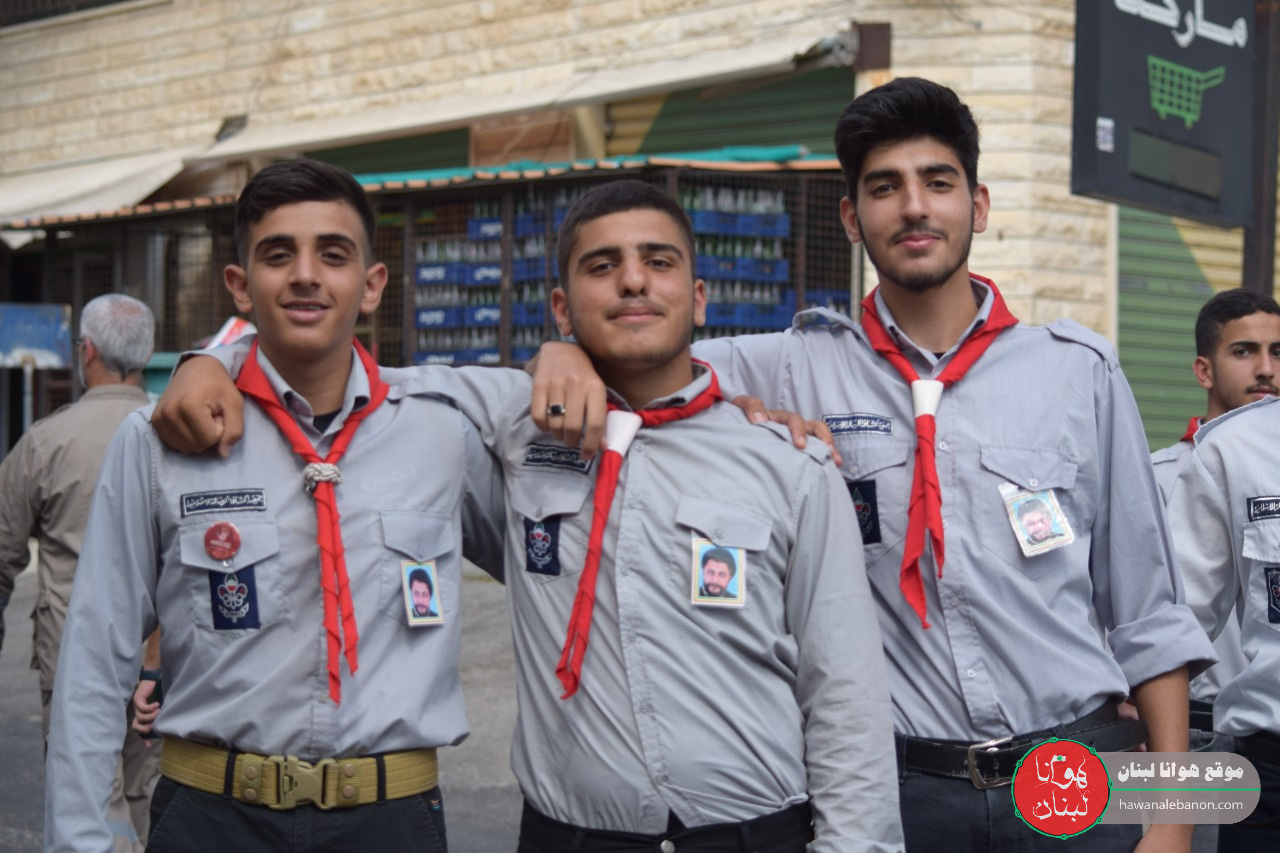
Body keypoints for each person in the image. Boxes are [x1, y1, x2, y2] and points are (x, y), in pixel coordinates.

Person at [529, 78, 1215, 851]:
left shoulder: (1077, 370)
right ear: (853, 219)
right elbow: (635, 346)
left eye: (938, 182)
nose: (914, 207)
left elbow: (1148, 610)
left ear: (978, 206)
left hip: (1076, 775)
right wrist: (562, 354)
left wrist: (1173, 818)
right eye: (885, 188)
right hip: (901, 793)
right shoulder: (790, 364)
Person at [151, 179, 905, 851]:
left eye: (659, 261)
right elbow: (334, 368)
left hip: (757, 835)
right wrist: (210, 360)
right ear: (561, 306)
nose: (633, 280)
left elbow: (845, 694)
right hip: (568, 837)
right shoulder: (510, 430)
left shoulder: (790, 464)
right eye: (601, 266)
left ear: (699, 296)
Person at [43, 160, 503, 853]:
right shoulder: (159, 440)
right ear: (240, 284)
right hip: (212, 817)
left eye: (334, 254)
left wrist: (569, 359)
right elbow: (93, 655)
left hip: (391, 820)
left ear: (372, 285)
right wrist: (78, 841)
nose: (306, 275)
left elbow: (554, 575)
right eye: (278, 254)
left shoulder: (443, 434)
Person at [0, 293, 161, 852]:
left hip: (72, 656)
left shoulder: (46, 441)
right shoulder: (177, 431)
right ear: (145, 355)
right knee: (147, 794)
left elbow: (2, 555)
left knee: (86, 799)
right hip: (158, 656)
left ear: (85, 351)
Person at [1150, 289, 1280, 852]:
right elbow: (1167, 626)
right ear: (1204, 369)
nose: (1265, 369)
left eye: (1277, 351)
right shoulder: (1197, 462)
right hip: (1221, 738)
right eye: (1245, 351)